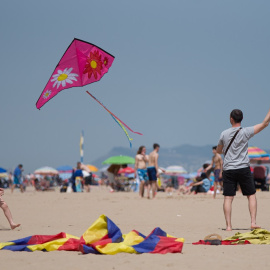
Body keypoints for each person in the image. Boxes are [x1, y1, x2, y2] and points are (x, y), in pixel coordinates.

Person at [217, 108, 270, 231]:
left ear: (231, 119)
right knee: (251, 195)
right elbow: (265, 124)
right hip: (243, 168)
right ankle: (253, 222)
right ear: (242, 119)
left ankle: (228, 226)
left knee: (228, 198)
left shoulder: (224, 133)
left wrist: (226, 150)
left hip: (229, 168)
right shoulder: (246, 132)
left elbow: (219, 150)